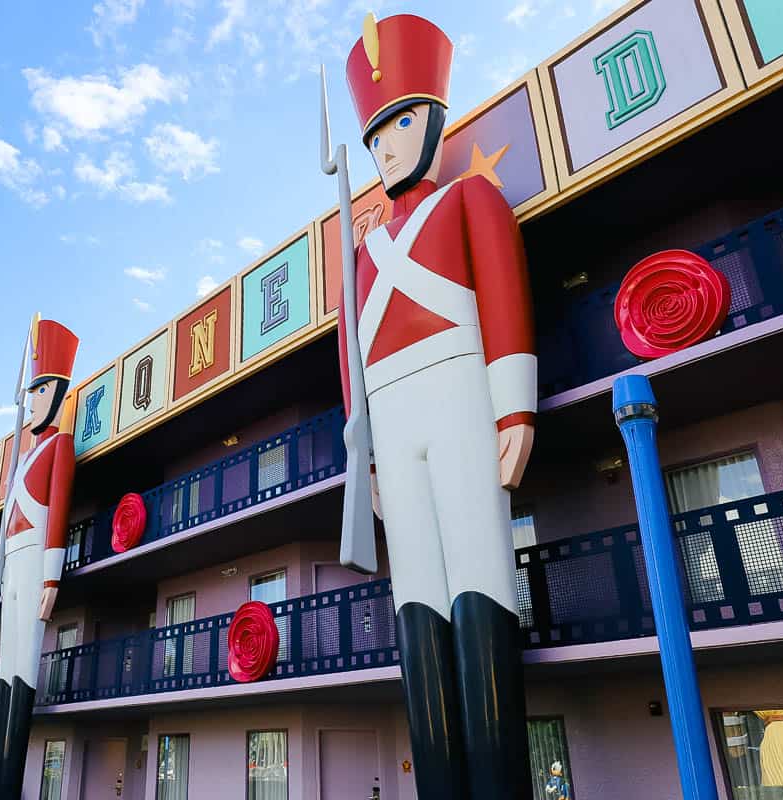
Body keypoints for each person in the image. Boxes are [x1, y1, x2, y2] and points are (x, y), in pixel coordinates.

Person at [338, 12, 535, 799]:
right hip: (391, 417)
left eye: (401, 124)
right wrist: (366, 456)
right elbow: (351, 362)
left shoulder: (470, 201)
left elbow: (504, 299)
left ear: (434, 121)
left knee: (479, 569)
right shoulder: (359, 252)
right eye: (374, 135)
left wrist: (513, 407)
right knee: (414, 589)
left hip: (459, 393)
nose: (386, 146)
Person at [0, 316, 78, 800]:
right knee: (3, 666)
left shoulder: (61, 445)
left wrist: (51, 578)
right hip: (12, 561)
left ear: (57, 393)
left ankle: (9, 782)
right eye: (31, 391)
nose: (32, 400)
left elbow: (57, 510)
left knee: (23, 666)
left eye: (40, 391)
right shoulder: (21, 457)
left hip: (37, 558)